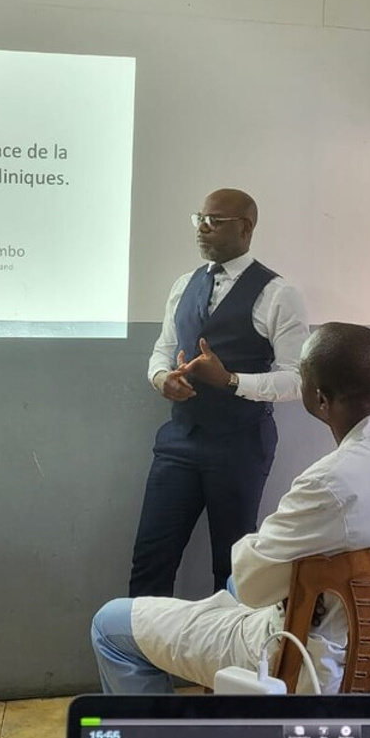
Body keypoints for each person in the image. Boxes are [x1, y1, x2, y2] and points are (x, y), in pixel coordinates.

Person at [92, 322, 370, 693]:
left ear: (320, 399)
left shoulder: (329, 482)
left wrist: (257, 553)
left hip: (298, 664)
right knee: (232, 588)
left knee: (111, 625)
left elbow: (250, 585)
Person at [129, 188, 309, 597]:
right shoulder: (184, 284)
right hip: (180, 439)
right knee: (151, 557)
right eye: (200, 218)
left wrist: (230, 381)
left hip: (240, 445)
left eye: (216, 220)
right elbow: (162, 348)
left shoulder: (279, 294)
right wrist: (162, 379)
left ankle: (223, 659)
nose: (203, 228)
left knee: (230, 567)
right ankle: (140, 658)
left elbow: (298, 378)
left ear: (245, 228)